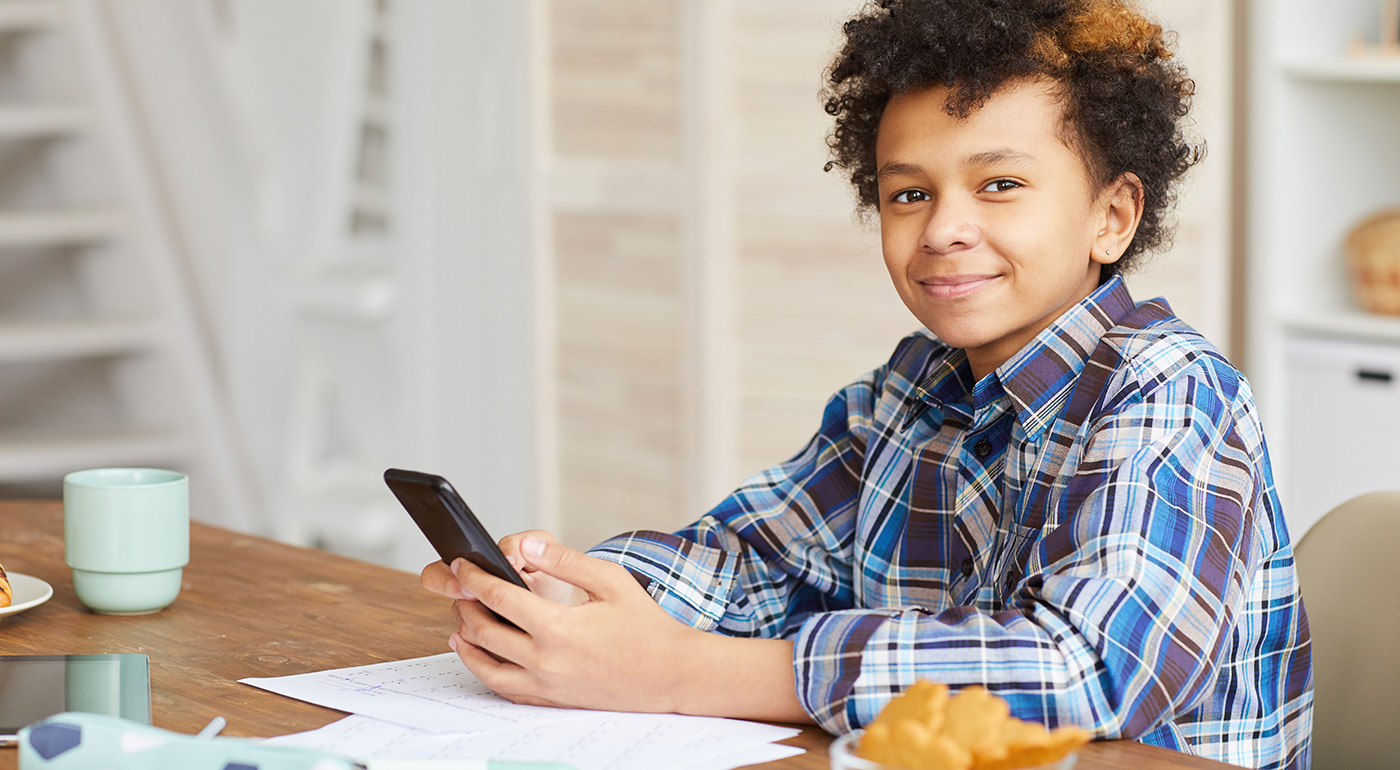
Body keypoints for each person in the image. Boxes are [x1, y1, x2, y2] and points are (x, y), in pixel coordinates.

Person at [422, 1, 1312, 768]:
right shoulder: (909, 391)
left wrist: (689, 672)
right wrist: (580, 597)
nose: (945, 229)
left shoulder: (1172, 394)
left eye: (1000, 184)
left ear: (1111, 216)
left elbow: (1088, 669)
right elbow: (756, 558)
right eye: (908, 195)